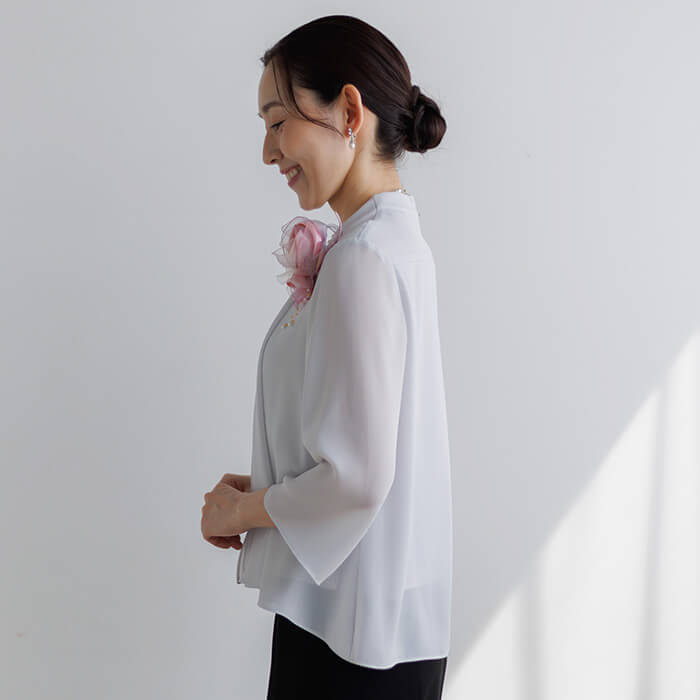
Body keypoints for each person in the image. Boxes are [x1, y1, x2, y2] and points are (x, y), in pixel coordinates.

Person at [201, 14, 452, 699]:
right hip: (375, 621)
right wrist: (267, 487)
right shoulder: (392, 240)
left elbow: (357, 478)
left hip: (350, 644)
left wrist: (242, 513)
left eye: (278, 122)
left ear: (348, 111)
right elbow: (370, 451)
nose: (268, 152)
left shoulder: (364, 256)